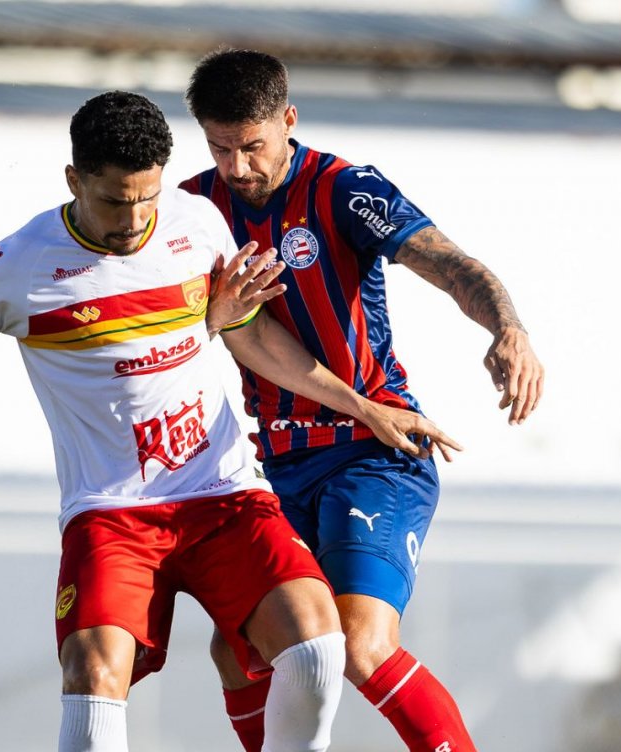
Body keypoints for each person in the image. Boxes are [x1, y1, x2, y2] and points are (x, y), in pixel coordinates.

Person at [0, 91, 459, 752]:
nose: (133, 221)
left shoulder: (195, 220)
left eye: (147, 197)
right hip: (113, 513)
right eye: (114, 202)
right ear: (73, 179)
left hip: (225, 495)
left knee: (317, 646)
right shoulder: (15, 270)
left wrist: (363, 406)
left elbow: (250, 335)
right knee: (94, 678)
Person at [183, 50, 547, 752]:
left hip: (374, 451)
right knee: (237, 655)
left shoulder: (345, 189)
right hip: (276, 469)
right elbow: (207, 332)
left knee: (359, 644)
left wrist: (510, 329)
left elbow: (450, 264)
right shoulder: (197, 212)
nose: (238, 168)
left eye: (253, 146)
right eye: (220, 149)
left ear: (288, 120)